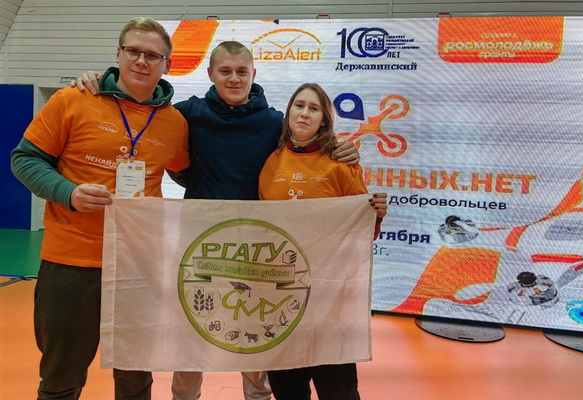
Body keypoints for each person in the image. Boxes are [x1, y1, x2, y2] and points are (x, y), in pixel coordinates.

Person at [73, 40, 360, 400]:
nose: (234, 78)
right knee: (192, 330)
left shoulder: (274, 122)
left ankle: (258, 397)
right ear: (210, 73)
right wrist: (104, 83)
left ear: (253, 74)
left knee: (256, 329)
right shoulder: (187, 114)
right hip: (199, 244)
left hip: (257, 249)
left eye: (241, 72)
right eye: (225, 71)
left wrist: (341, 147)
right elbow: (139, 112)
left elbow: (306, 146)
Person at [11, 17, 189, 400]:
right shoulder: (72, 100)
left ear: (167, 64)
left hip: (138, 266)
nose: (141, 61)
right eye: (133, 51)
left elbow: (192, 173)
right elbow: (24, 159)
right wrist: (67, 192)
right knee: (61, 377)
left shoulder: (175, 123)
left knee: (135, 379)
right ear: (118, 54)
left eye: (152, 55)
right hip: (71, 263)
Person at [258, 83, 387, 400]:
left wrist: (376, 214)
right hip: (281, 297)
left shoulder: (340, 163)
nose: (304, 113)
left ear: (324, 120)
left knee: (337, 389)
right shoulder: (271, 162)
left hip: (329, 299)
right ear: (288, 113)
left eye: (313, 108)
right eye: (299, 105)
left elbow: (363, 229)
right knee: (287, 387)